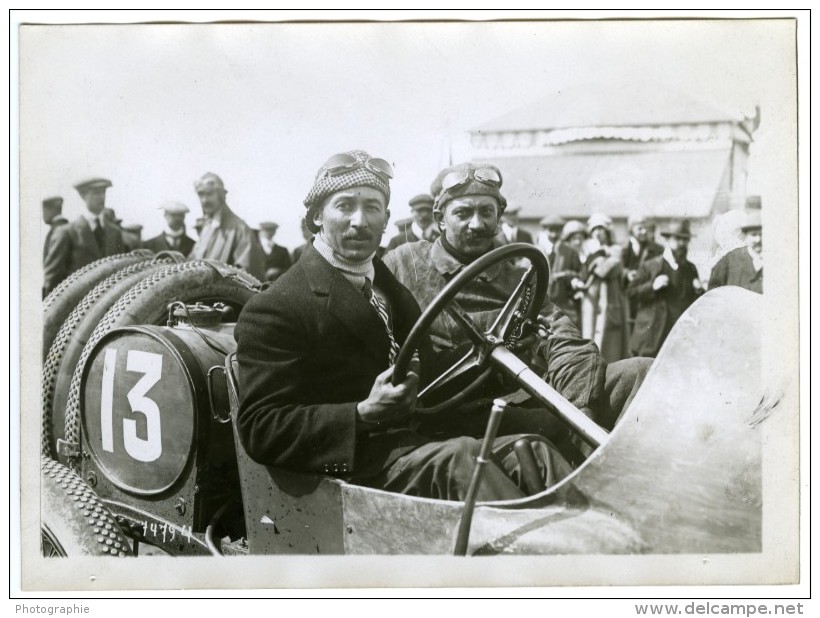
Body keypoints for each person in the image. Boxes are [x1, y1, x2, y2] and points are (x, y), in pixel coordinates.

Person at [234, 150, 571, 502]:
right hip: (352, 468)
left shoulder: (385, 285)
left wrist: (500, 351)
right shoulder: (277, 306)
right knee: (463, 460)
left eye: (372, 208)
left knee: (533, 450)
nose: (359, 221)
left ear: (386, 219)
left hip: (417, 441)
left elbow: (429, 369)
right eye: (345, 206)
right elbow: (260, 428)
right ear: (317, 216)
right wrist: (360, 414)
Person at [383, 162, 651, 441]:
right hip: (453, 411)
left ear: (498, 217)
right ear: (440, 219)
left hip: (520, 393)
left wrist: (580, 406)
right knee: (552, 425)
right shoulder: (404, 263)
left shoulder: (519, 279)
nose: (477, 224)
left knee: (640, 372)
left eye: (487, 212)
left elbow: (563, 339)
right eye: (463, 212)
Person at [627, 219, 704, 357]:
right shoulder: (650, 265)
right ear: (668, 240)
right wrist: (652, 286)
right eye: (678, 238)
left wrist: (699, 290)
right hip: (651, 337)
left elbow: (697, 303)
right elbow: (631, 293)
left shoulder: (690, 268)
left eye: (685, 240)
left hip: (678, 336)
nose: (682, 243)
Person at [189, 172, 266, 280]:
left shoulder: (240, 230)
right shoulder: (207, 228)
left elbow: (248, 278)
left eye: (209, 194)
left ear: (221, 195)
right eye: (201, 195)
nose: (204, 200)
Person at [578, 213, 629, 363]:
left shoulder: (616, 249)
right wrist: (596, 258)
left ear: (607, 231)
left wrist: (593, 258)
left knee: (608, 337)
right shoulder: (586, 248)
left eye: (601, 228)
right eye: (594, 229)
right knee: (589, 332)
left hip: (610, 296)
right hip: (591, 298)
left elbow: (605, 270)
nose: (598, 233)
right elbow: (584, 271)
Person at [58, 177, 126, 279]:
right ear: (83, 196)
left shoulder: (115, 232)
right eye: (96, 193)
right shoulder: (68, 232)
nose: (101, 197)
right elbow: (54, 279)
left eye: (103, 192)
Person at [621, 213, 663, 333]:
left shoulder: (657, 249)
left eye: (646, 228)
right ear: (631, 229)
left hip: (647, 294)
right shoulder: (623, 248)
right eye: (640, 228)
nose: (644, 231)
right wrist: (627, 273)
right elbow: (619, 268)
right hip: (628, 295)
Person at [708, 210, 763, 294]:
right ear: (745, 235)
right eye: (754, 234)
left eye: (762, 234)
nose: (758, 239)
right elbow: (713, 292)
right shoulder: (730, 260)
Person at [41, 196, 70, 298]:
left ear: (50, 210)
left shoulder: (58, 231)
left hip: (58, 294)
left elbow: (54, 271)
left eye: (43, 211)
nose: (43, 215)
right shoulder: (66, 228)